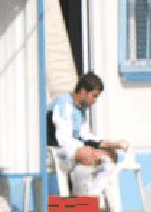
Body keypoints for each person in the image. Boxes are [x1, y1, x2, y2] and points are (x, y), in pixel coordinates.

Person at [47, 72, 128, 202]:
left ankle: (91, 198)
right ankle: (79, 199)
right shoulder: (64, 103)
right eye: (94, 96)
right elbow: (63, 139)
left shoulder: (81, 109)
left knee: (112, 155)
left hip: (72, 149)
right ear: (84, 91)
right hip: (55, 151)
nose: (95, 101)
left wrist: (109, 144)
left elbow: (85, 136)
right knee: (88, 154)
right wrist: (92, 147)